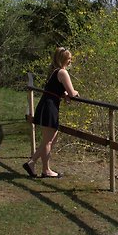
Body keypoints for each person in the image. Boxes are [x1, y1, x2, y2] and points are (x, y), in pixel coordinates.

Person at [23, 47, 79, 178]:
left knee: (51, 138)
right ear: (63, 59)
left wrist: (63, 93)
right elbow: (72, 92)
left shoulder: (54, 71)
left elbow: (57, 88)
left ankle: (32, 163)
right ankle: (45, 170)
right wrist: (74, 93)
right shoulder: (62, 72)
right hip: (50, 106)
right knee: (48, 141)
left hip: (47, 104)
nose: (70, 61)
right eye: (68, 58)